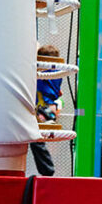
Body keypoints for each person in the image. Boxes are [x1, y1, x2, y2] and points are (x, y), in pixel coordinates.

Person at [31, 43, 63, 176]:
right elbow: (58, 92)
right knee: (37, 140)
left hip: (43, 110)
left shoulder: (42, 72)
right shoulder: (58, 72)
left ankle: (48, 170)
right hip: (51, 110)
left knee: (36, 140)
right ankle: (47, 170)